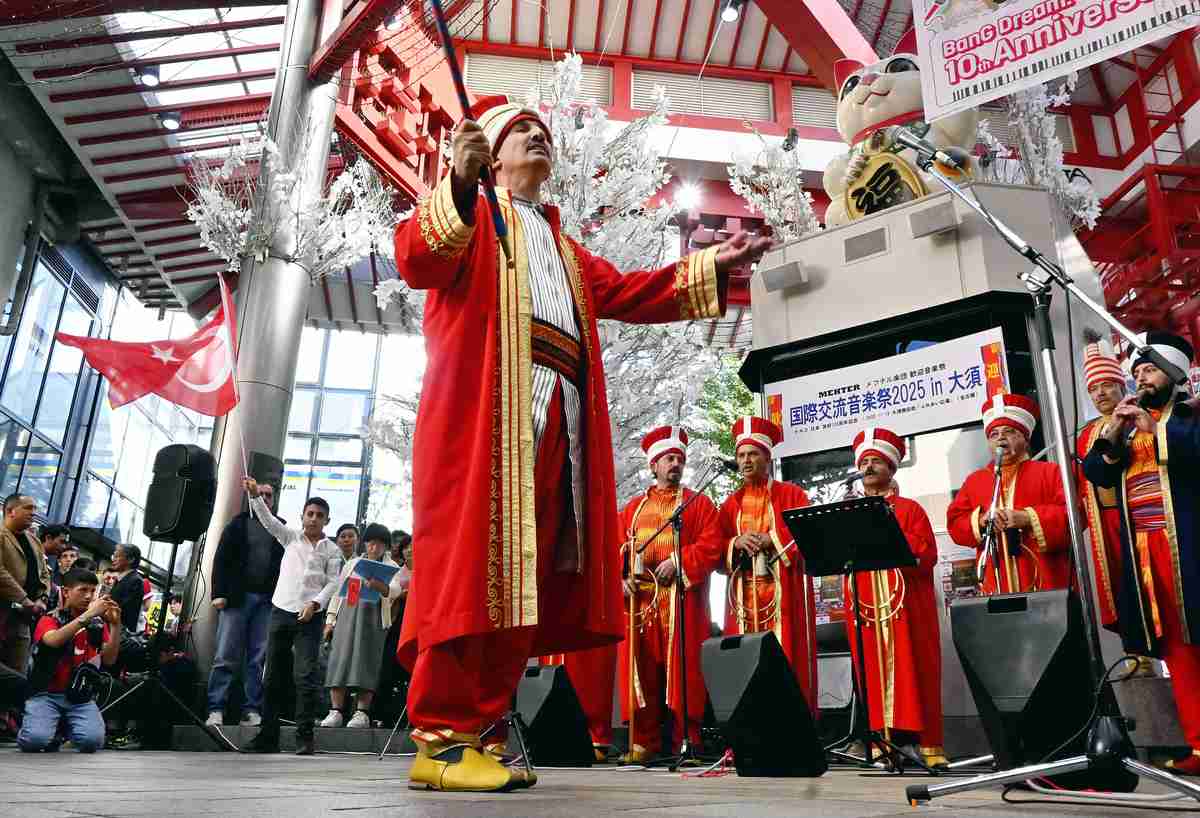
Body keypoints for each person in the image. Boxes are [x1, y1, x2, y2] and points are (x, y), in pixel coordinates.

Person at [393, 94, 769, 792]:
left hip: (558, 419)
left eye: (543, 131)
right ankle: (440, 739)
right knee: (471, 570)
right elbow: (416, 258)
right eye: (521, 131)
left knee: (524, 578)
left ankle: (480, 730)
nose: (538, 137)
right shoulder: (472, 213)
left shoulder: (565, 249)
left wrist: (714, 264)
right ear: (490, 156)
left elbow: (632, 291)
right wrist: (458, 184)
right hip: (484, 420)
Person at [1082, 331, 1200, 775]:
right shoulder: (1130, 427)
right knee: (1178, 649)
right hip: (1147, 553)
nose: (1141, 378)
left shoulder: (1191, 414)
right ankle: (1199, 744)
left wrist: (1159, 431)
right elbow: (1097, 473)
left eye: (1149, 370)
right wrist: (1115, 429)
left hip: (1189, 545)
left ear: (1174, 373)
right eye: (1137, 372)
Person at [616, 426, 723, 763]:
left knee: (684, 672)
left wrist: (679, 561)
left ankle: (686, 740)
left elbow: (712, 545)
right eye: (668, 459)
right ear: (654, 465)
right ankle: (643, 741)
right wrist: (622, 579)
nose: (675, 464)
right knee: (644, 671)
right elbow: (615, 551)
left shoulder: (698, 504)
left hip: (680, 602)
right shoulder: (632, 509)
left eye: (679, 459)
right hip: (642, 603)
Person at [844, 428, 946, 768]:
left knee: (913, 671)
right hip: (866, 608)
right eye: (864, 462)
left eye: (876, 461)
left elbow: (926, 555)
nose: (869, 467)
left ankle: (918, 746)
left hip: (904, 608)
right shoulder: (850, 510)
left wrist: (889, 530)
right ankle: (879, 745)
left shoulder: (910, 509)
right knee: (869, 673)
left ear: (891, 467)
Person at [718, 416, 819, 716]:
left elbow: (808, 534)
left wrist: (771, 539)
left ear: (767, 457)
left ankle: (792, 728)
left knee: (787, 659)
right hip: (743, 598)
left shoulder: (793, 495)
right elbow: (715, 548)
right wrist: (735, 542)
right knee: (745, 664)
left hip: (783, 594)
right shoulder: (730, 504)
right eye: (741, 455)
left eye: (753, 454)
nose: (746, 460)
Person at [241, 479, 341, 756]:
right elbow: (267, 520)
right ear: (302, 516)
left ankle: (304, 738)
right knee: (272, 675)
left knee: (305, 676)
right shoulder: (290, 537)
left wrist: (315, 604)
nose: (314, 519)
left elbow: (333, 583)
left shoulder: (332, 550)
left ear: (327, 520)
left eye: (319, 515)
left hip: (310, 617)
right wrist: (254, 496)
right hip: (280, 611)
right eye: (310, 514)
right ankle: (268, 737)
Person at [946, 393, 1070, 594]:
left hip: (1046, 577)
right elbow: (955, 523)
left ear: (1025, 439)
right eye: (993, 434)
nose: (1000, 438)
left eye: (1009, 431)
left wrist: (1028, 517)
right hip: (996, 579)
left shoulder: (1051, 472)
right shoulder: (975, 481)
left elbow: (1074, 515)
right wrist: (981, 521)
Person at [205, 481, 285, 728]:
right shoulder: (237, 524)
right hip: (236, 598)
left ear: (274, 499)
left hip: (267, 602)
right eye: (260, 494)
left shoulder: (280, 527)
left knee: (257, 659)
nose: (265, 498)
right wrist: (218, 593)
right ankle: (216, 708)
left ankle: (251, 709)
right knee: (225, 655)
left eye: (269, 495)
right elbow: (221, 559)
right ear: (251, 496)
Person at [17, 568, 121, 753]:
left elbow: (110, 659)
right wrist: (88, 615)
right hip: (46, 693)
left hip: (80, 697)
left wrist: (115, 625)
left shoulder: (97, 624)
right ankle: (49, 726)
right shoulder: (50, 619)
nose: (89, 596)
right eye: (83, 590)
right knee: (34, 741)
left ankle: (61, 728)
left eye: (92, 591)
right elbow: (54, 640)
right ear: (66, 592)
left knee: (92, 742)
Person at [321, 525, 404, 728]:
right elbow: (338, 593)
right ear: (365, 543)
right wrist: (330, 620)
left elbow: (395, 590)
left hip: (373, 619)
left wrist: (380, 586)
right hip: (347, 615)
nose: (374, 547)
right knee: (340, 659)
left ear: (385, 546)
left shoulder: (391, 566)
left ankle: (362, 712)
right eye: (371, 543)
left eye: (379, 544)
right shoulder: (353, 563)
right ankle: (335, 710)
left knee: (367, 661)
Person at [1076, 334, 1127, 631]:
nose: (1100, 393)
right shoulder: (1086, 435)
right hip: (1103, 521)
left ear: (1121, 385)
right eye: (1093, 389)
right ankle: (1134, 649)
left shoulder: (1136, 418)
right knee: (1118, 587)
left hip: (1136, 516)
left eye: (1106, 385)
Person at [0, 494, 50, 677]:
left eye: (35, 509)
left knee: (18, 675)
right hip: (4, 611)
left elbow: (44, 574)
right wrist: (25, 600)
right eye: (28, 508)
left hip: (23, 619)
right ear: (10, 511)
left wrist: (42, 599)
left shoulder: (34, 541)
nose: (33, 513)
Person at [108, 544, 145, 633]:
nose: (113, 559)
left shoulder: (135, 581)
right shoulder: (121, 578)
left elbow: (124, 609)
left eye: (117, 556)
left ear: (131, 559)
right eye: (113, 556)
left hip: (121, 632)